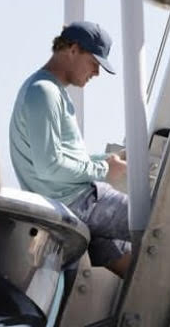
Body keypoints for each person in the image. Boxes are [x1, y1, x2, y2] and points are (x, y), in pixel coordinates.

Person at [9, 21, 133, 277]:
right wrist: (104, 170)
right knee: (161, 224)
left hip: (72, 203)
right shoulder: (43, 92)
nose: (97, 73)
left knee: (134, 267)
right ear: (73, 50)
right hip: (79, 202)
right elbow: (49, 166)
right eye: (95, 63)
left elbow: (62, 158)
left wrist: (108, 160)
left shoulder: (48, 91)